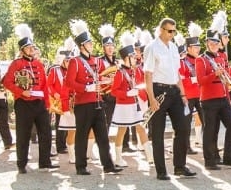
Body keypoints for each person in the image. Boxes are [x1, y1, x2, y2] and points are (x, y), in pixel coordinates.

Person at [66, 21, 122, 176]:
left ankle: (108, 165)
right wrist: (86, 88)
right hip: (83, 104)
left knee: (103, 136)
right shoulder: (75, 61)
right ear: (82, 45)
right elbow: (69, 82)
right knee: (82, 136)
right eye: (89, 43)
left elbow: (105, 75)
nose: (91, 45)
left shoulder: (96, 61)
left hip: (98, 102)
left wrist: (107, 81)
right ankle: (80, 166)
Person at [144, 18, 196, 180]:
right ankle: (161, 170)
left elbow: (177, 73)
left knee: (183, 128)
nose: (172, 34)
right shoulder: (152, 48)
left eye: (174, 31)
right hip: (159, 90)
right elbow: (148, 74)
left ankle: (179, 166)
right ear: (161, 30)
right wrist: (151, 98)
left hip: (174, 90)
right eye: (169, 31)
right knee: (157, 133)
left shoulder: (173, 47)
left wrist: (183, 94)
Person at [2, 25, 55, 174]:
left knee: (46, 132)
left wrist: (48, 104)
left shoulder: (38, 64)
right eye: (28, 47)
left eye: (32, 46)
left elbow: (44, 86)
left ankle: (45, 162)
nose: (31, 49)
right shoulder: (16, 64)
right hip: (23, 103)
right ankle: (21, 164)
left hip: (39, 103)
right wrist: (21, 92)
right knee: (23, 134)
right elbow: (7, 82)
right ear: (22, 50)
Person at [194, 27, 231, 170]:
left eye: (216, 42)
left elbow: (226, 79)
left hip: (222, 98)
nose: (214, 44)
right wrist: (214, 74)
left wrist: (230, 94)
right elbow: (200, 81)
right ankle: (210, 160)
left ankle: (229, 156)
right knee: (210, 130)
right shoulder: (201, 60)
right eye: (211, 42)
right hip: (208, 99)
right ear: (207, 43)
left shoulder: (221, 57)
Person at [109, 34, 149, 165]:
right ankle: (118, 158)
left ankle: (150, 156)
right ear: (127, 58)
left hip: (134, 104)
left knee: (141, 127)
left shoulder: (132, 71)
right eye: (132, 56)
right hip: (123, 106)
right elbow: (114, 91)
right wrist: (127, 93)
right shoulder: (120, 73)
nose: (135, 58)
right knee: (122, 130)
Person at [179, 24, 204, 154]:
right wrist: (192, 80)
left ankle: (209, 145)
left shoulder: (201, 60)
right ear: (188, 48)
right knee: (186, 122)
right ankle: (186, 146)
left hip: (200, 94)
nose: (198, 49)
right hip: (188, 95)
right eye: (195, 47)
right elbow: (180, 80)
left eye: (199, 47)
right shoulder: (182, 62)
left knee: (206, 120)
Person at [48, 44, 73, 158]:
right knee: (59, 124)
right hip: (59, 101)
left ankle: (69, 144)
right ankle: (60, 145)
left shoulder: (72, 71)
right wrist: (54, 93)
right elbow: (49, 85)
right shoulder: (54, 70)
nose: (69, 63)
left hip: (70, 101)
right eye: (67, 61)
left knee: (70, 124)